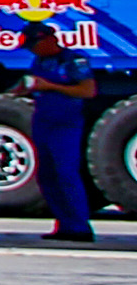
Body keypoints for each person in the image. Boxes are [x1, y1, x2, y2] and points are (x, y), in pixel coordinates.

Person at [19, 24, 99, 244]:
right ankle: (64, 223)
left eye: (34, 45)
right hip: (43, 121)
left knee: (66, 173)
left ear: (48, 40)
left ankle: (80, 226)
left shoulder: (73, 60)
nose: (32, 50)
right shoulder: (38, 62)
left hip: (66, 123)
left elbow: (88, 91)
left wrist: (51, 86)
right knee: (47, 175)